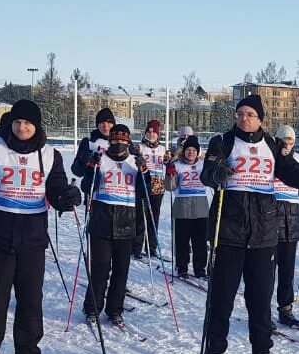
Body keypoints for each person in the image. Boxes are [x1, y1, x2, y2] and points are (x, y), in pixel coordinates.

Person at [200, 95, 299, 354]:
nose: (244, 118)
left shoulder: (272, 147)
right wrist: (216, 173)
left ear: (261, 119)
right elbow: (207, 174)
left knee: (261, 300)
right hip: (229, 232)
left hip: (264, 234)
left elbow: (293, 173)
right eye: (240, 114)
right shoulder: (223, 142)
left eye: (250, 114)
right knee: (222, 298)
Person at [0, 99, 82, 354]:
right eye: (17, 122)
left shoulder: (50, 154)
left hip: (32, 238)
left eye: (28, 123)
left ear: (37, 125)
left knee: (31, 301)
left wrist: (67, 198)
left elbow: (55, 192)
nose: (22, 127)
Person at [78, 124, 145, 327]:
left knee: (121, 270)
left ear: (128, 142)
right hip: (101, 220)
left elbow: (145, 191)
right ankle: (92, 307)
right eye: (115, 141)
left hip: (126, 222)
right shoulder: (101, 159)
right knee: (99, 269)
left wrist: (144, 170)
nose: (118, 144)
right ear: (110, 141)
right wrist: (91, 167)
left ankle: (115, 309)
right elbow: (86, 187)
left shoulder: (134, 161)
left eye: (123, 141)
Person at [272, 125, 299, 327]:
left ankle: (286, 308)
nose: (287, 146)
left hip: (292, 216)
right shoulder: (271, 157)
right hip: (271, 213)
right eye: (283, 141)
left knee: (287, 268)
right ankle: (262, 310)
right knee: (267, 269)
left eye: (290, 142)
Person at [165, 134, 209, 278]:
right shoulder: (177, 165)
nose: (191, 153)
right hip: (182, 207)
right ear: (183, 151)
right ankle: (182, 267)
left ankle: (200, 268)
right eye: (188, 150)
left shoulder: (203, 164)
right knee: (182, 241)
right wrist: (170, 174)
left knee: (200, 241)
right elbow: (170, 187)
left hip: (201, 208)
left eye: (194, 150)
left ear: (198, 152)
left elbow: (211, 179)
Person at [134, 119, 171, 259]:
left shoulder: (162, 149)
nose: (151, 134)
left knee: (153, 218)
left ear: (158, 134)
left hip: (158, 184)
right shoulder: (141, 147)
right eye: (149, 132)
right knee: (140, 218)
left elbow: (168, 164)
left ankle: (152, 248)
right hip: (143, 182)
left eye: (154, 132)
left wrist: (169, 160)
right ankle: (136, 248)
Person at [71, 107, 115, 178]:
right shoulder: (89, 142)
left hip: (119, 186)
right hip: (94, 185)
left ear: (113, 124)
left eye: (109, 122)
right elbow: (77, 172)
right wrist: (83, 161)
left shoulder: (124, 142)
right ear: (97, 125)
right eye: (102, 122)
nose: (105, 126)